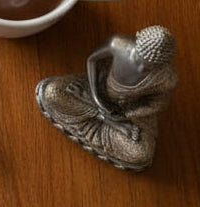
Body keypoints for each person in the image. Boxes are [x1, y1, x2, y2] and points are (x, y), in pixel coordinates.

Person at [35, 26, 178, 171]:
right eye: (139, 58)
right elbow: (92, 61)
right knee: (53, 91)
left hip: (130, 111)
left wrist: (125, 115)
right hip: (98, 89)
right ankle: (107, 120)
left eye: (150, 66)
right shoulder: (118, 44)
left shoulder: (166, 78)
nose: (141, 67)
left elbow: (157, 104)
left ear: (162, 64)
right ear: (136, 43)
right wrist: (96, 96)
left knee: (140, 154)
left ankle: (103, 120)